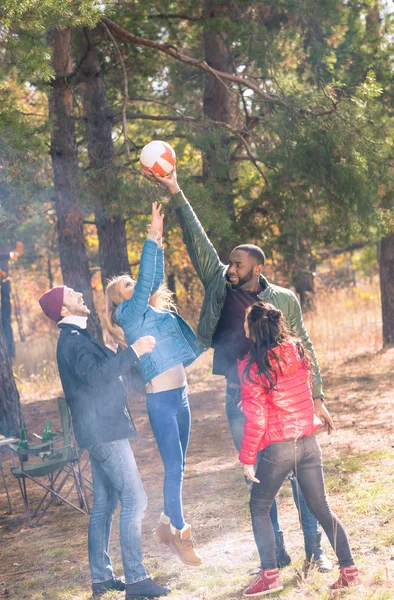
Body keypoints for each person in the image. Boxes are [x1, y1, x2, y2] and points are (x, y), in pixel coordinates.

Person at [144, 167, 334, 571]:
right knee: (260, 479)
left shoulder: (283, 300)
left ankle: (316, 551)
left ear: (257, 268)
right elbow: (197, 240)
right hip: (239, 397)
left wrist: (317, 396)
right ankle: (276, 552)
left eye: (237, 264)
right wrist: (175, 189)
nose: (230, 268)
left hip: (285, 402)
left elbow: (306, 346)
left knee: (301, 476)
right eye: (229, 262)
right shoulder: (219, 285)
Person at [38, 285, 171, 600]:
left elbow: (94, 375)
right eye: (72, 295)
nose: (80, 295)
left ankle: (101, 578)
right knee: (135, 500)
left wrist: (114, 353)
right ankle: (137, 581)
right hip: (104, 432)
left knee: (105, 504)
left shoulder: (77, 338)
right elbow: (96, 376)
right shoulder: (71, 342)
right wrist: (133, 352)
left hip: (97, 430)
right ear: (63, 310)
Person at [239, 301, 360, 595]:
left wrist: (247, 457)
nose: (243, 326)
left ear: (252, 329)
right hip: (308, 443)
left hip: (279, 447)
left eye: (245, 322)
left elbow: (256, 417)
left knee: (259, 506)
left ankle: (269, 575)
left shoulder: (253, 367)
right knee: (322, 508)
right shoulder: (297, 351)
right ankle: (349, 570)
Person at [105, 202, 202, 567]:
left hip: (182, 395)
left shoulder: (149, 310)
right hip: (161, 400)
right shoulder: (127, 314)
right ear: (120, 298)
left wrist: (158, 238)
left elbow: (153, 276)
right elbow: (147, 279)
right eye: (128, 284)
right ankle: (179, 531)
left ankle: (165, 525)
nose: (137, 283)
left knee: (180, 465)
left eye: (134, 280)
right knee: (173, 467)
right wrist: (149, 234)